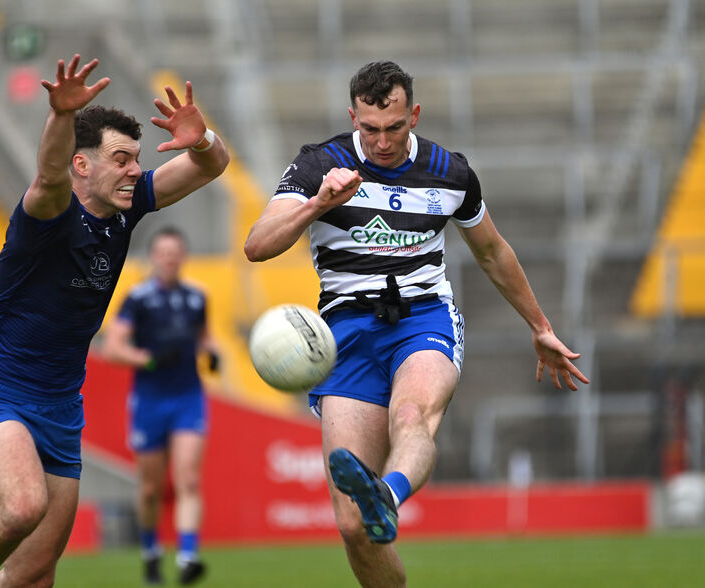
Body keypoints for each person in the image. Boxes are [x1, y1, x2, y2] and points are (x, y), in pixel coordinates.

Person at [243, 60, 588, 588]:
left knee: (412, 416)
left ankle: (389, 492)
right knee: (355, 528)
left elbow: (493, 252)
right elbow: (258, 245)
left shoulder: (450, 172)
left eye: (395, 127)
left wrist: (539, 326)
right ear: (353, 118)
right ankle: (374, 505)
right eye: (370, 129)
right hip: (346, 335)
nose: (382, 141)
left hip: (423, 319)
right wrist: (318, 204)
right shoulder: (318, 165)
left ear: (415, 115)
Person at [0, 54, 228, 588]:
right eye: (121, 159)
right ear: (84, 166)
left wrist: (201, 138)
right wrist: (60, 117)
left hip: (61, 408)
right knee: (22, 506)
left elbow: (212, 165)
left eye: (136, 159)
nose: (134, 170)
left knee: (35, 576)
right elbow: (49, 174)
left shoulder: (126, 208)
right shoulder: (48, 214)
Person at [102, 226, 218, 585]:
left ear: (182, 257)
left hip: (188, 397)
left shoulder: (198, 297)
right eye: (164, 253)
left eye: (176, 253)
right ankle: (151, 552)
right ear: (154, 257)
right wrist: (148, 359)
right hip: (150, 399)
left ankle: (187, 557)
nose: (170, 259)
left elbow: (204, 337)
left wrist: (212, 354)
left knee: (188, 479)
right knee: (151, 488)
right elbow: (112, 347)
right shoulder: (138, 298)